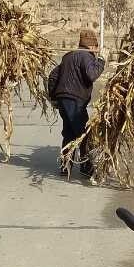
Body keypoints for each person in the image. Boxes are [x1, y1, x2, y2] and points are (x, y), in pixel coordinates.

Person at [48, 29, 105, 177]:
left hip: (64, 100)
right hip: (75, 101)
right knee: (84, 134)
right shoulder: (87, 57)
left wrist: (54, 97)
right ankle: (86, 168)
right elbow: (92, 74)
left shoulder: (68, 56)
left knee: (69, 133)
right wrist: (101, 61)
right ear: (92, 46)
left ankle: (65, 166)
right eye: (96, 48)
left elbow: (53, 76)